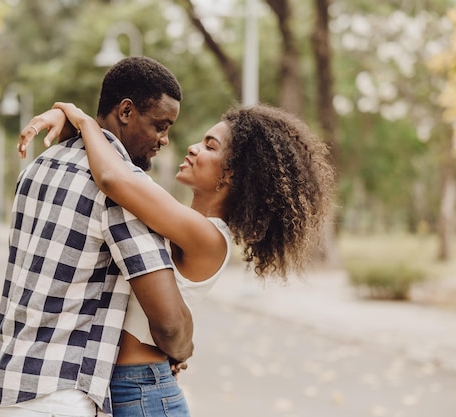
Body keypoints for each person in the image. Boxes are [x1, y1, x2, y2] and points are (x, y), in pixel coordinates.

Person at [20, 100, 336, 416]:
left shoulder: (209, 236)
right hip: (119, 387)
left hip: (140, 391)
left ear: (232, 175)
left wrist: (84, 121)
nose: (194, 147)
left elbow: (114, 179)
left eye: (210, 147)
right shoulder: (177, 222)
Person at [0, 56, 195, 417]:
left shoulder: (39, 167)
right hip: (59, 397)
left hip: (9, 385)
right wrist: (181, 351)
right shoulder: (123, 188)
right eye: (160, 125)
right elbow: (169, 323)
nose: (164, 139)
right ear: (126, 111)